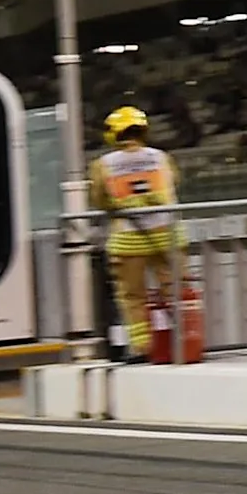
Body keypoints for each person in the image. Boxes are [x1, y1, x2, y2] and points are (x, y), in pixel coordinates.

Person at [92, 107, 183, 364]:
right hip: (167, 234)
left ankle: (143, 347)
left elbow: (100, 200)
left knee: (133, 296)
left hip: (129, 240)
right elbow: (174, 182)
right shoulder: (162, 158)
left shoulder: (103, 165)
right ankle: (185, 339)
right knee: (175, 289)